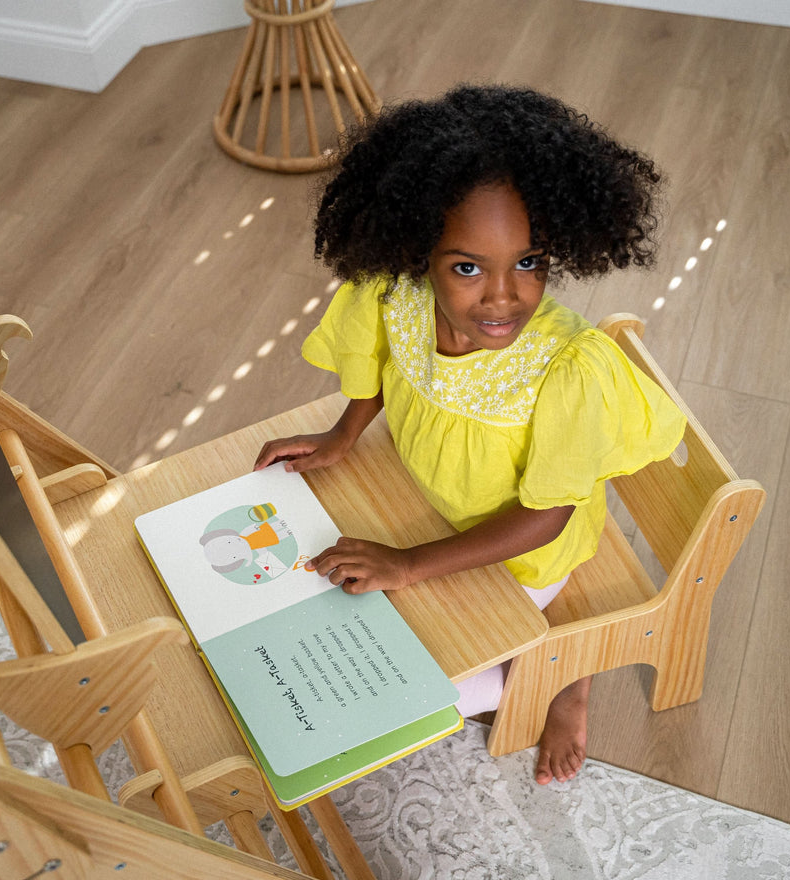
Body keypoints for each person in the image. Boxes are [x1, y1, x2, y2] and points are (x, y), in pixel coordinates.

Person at [253, 84, 687, 785]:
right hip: (417, 496)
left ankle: (566, 679)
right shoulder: (392, 294)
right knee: (306, 616)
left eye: (529, 261)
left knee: (398, 704)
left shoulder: (568, 370)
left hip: (519, 556)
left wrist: (409, 565)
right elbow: (372, 363)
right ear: (416, 248)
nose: (502, 295)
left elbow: (546, 518)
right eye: (466, 267)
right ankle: (546, 661)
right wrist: (343, 433)